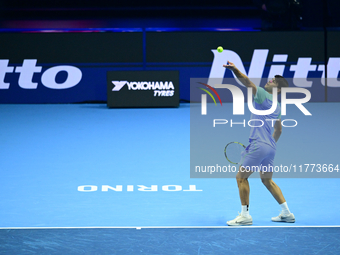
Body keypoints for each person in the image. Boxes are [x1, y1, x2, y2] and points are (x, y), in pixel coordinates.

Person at [223, 61, 295, 226]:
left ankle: (245, 216)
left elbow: (247, 82)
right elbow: (279, 131)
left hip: (258, 145)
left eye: (273, 82)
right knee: (267, 180)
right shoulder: (278, 106)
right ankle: (287, 213)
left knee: (241, 178)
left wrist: (234, 69)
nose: (269, 81)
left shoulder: (262, 94)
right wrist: (269, 145)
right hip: (271, 148)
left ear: (277, 89)